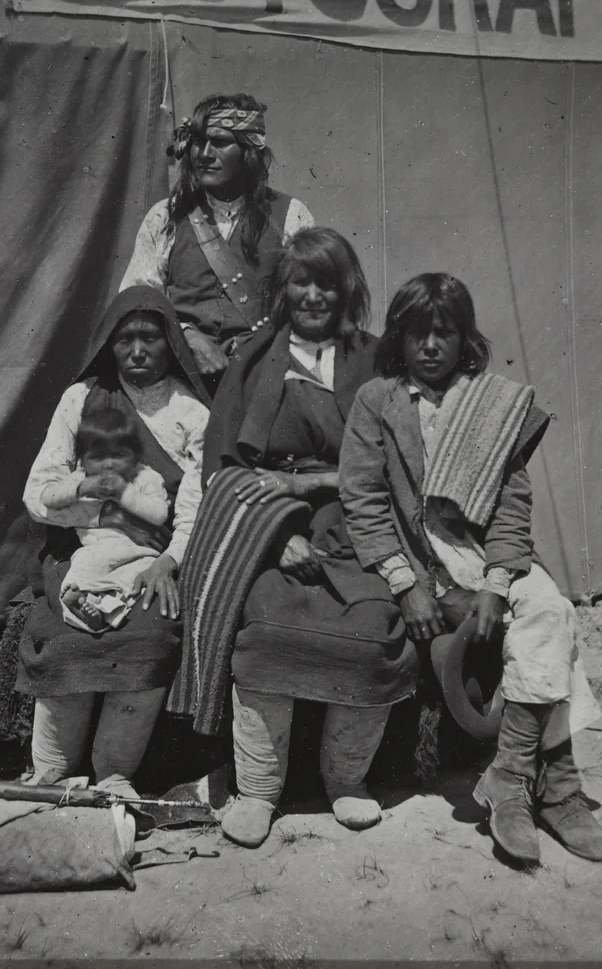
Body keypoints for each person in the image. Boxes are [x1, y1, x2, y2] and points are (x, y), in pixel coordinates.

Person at [339, 272, 602, 866]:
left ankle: (512, 779)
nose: (430, 345)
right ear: (399, 338)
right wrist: (407, 586)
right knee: (546, 633)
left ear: (464, 338)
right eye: (417, 333)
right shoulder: (378, 400)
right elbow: (362, 500)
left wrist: (496, 584)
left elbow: (513, 505)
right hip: (424, 559)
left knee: (550, 611)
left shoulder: (493, 401)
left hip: (490, 556)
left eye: (444, 332)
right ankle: (557, 787)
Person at [170, 228, 417, 847]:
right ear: (283, 289)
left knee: (375, 629)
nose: (313, 295)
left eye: (326, 283)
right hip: (274, 531)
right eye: (301, 282)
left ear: (346, 290)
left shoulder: (376, 359)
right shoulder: (254, 360)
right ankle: (259, 791)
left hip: (360, 527)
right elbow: (222, 468)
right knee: (266, 629)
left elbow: (399, 459)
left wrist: (318, 483)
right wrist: (273, 537)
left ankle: (346, 780)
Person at [17, 285, 210, 798]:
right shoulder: (80, 398)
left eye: (151, 338)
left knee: (148, 633)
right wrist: (101, 509)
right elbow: (38, 492)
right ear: (109, 344)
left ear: (171, 343)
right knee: (64, 633)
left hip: (156, 553)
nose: (138, 351)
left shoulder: (191, 412)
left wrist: (170, 561)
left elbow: (193, 507)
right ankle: (51, 769)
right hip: (82, 546)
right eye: (125, 340)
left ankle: (115, 773)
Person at [119, 93, 314, 384]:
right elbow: (136, 301)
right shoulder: (165, 216)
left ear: (248, 150)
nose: (205, 154)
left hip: (263, 378)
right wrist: (186, 335)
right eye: (198, 141)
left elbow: (310, 306)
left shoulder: (292, 216)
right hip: (183, 378)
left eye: (220, 142)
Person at [44, 407, 171, 633]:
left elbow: (159, 514)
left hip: (139, 551)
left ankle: (102, 610)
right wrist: (81, 487)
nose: (109, 465)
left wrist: (125, 492)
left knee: (135, 580)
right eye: (97, 457)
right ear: (82, 460)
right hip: (97, 549)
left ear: (136, 454)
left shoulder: (146, 477)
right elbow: (48, 498)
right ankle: (84, 608)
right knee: (80, 570)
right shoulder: (81, 479)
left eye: (119, 455)